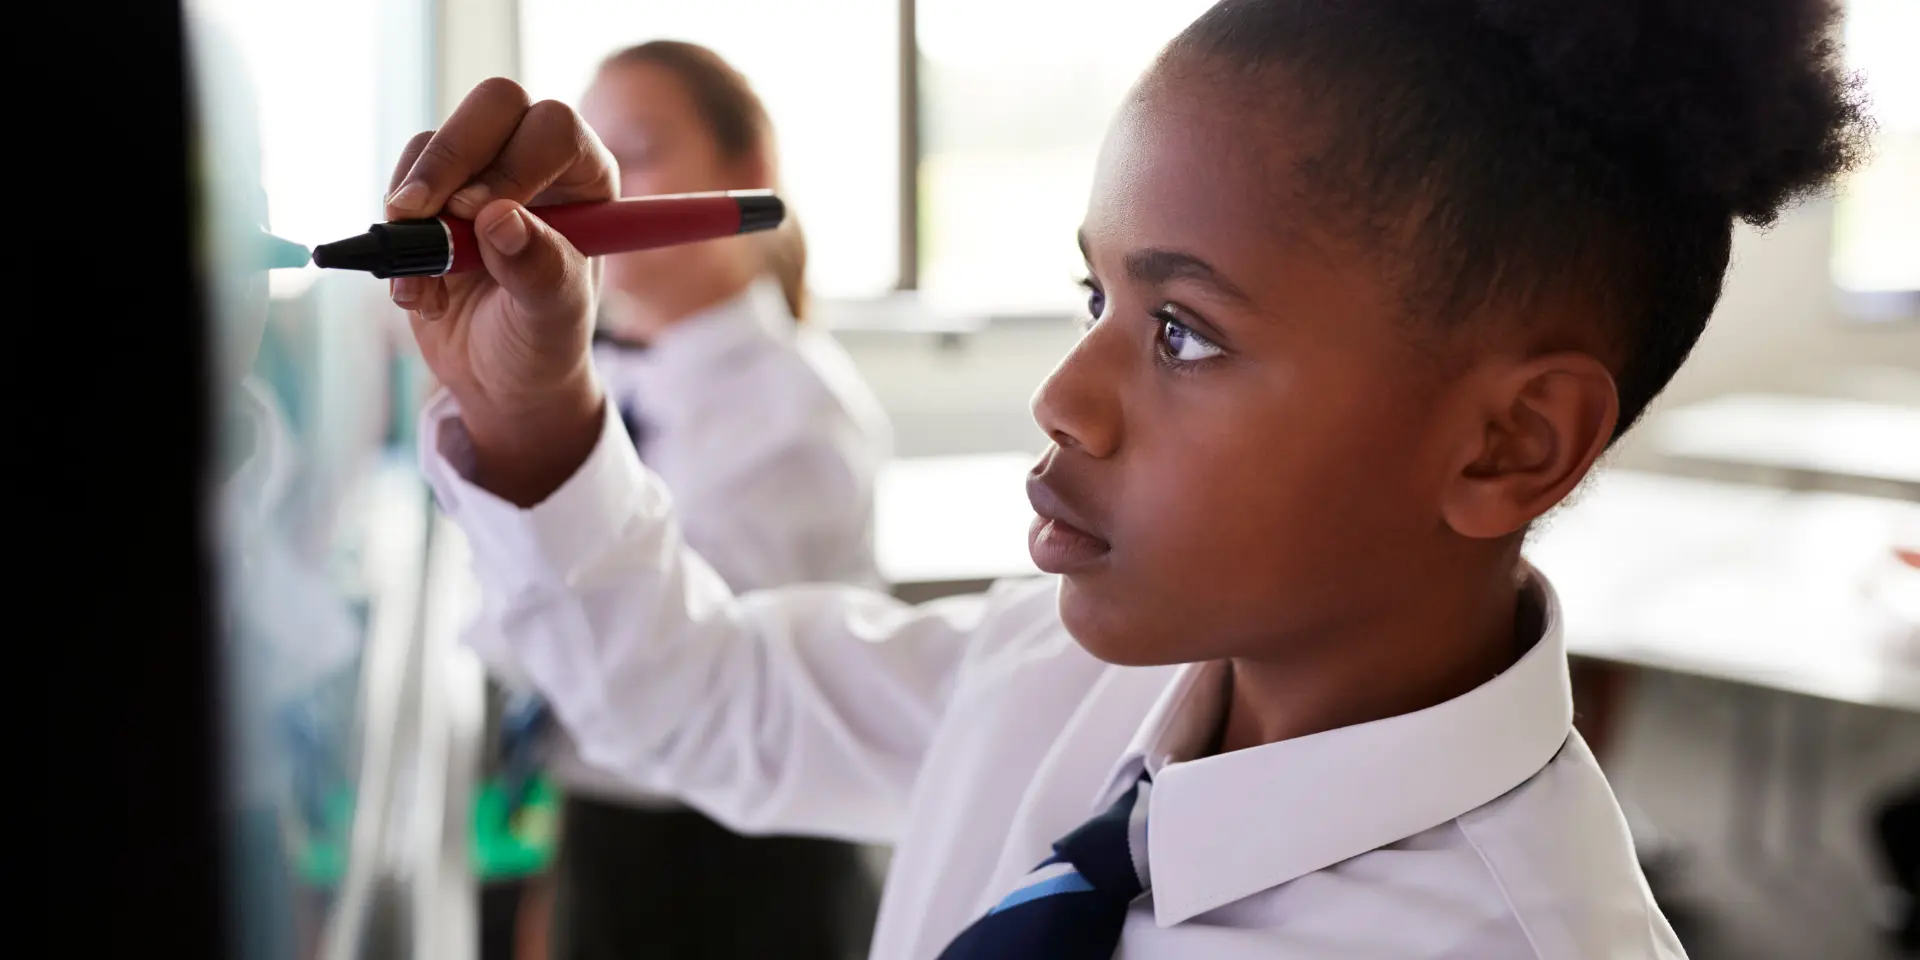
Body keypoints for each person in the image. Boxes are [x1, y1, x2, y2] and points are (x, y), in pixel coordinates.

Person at [384, 0, 1867, 955]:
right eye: (1093, 298)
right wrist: (532, 409)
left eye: (1183, 329)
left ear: (1512, 444)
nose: (1062, 396)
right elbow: (705, 700)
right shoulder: (1048, 669)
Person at [494, 39, 889, 960]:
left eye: (637, 154)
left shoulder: (796, 415)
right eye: (584, 162)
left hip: (738, 862)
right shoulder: (604, 368)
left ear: (745, 174)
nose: (600, 193)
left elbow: (656, 667)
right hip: (610, 831)